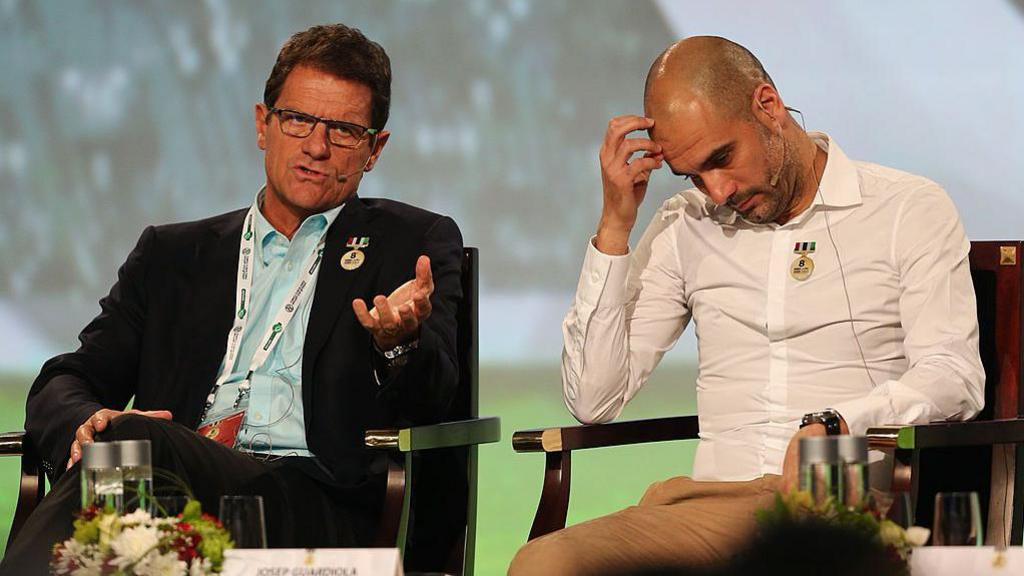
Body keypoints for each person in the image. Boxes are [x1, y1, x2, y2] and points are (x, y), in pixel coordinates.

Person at [510, 36, 983, 575]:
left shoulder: (905, 209)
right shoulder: (685, 225)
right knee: (544, 564)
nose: (717, 191)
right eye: (693, 176)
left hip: (829, 504)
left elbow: (954, 376)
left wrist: (838, 422)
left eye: (722, 159)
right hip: (702, 507)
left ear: (768, 106)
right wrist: (615, 225)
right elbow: (594, 399)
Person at [2, 23, 463, 574]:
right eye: (298, 120)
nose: (316, 147)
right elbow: (64, 380)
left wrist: (401, 344)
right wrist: (86, 421)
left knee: (133, 451)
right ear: (262, 125)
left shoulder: (410, 246)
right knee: (122, 451)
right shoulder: (173, 255)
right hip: (171, 491)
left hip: (318, 503)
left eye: (343, 131)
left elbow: (438, 396)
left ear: (374, 150)